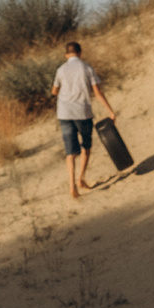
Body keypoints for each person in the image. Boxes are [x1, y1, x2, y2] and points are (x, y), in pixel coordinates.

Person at [52, 39, 119, 200]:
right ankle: (81, 179)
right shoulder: (87, 68)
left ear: (66, 54)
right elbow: (97, 92)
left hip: (65, 114)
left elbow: (54, 91)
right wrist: (110, 111)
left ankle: (72, 186)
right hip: (82, 113)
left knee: (70, 152)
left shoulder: (60, 69)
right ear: (80, 53)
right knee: (86, 146)